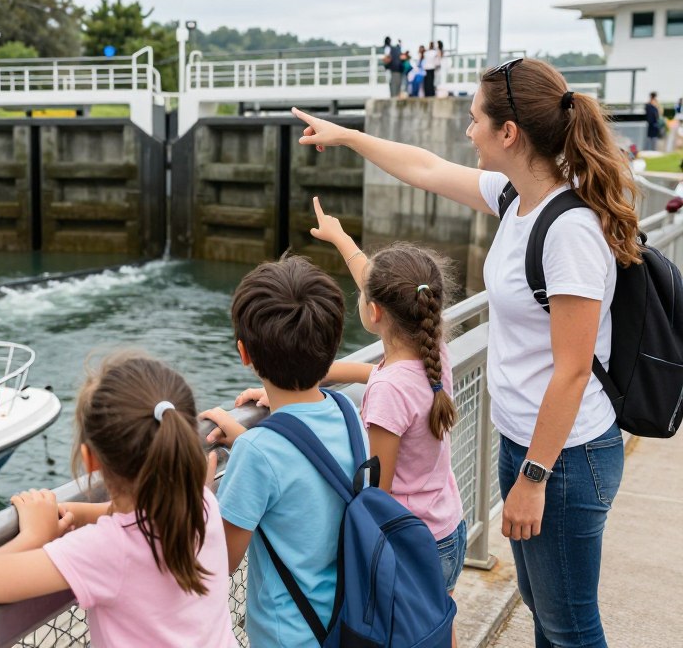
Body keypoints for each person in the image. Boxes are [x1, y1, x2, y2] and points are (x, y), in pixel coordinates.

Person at [291, 56, 640, 648]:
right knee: (544, 609)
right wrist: (347, 136)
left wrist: (534, 476)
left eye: (476, 119)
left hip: (564, 458)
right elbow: (424, 168)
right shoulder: (516, 198)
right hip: (525, 443)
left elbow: (574, 370)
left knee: (570, 625)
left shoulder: (569, 230)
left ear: (510, 134)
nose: (468, 131)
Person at [235, 200, 466, 646]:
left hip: (407, 538)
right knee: (435, 621)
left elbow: (375, 496)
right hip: (447, 526)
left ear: (375, 312)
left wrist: (297, 388)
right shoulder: (433, 349)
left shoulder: (387, 393)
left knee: (407, 630)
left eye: (364, 295)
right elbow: (378, 337)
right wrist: (342, 240)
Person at [0, 353, 237, 648]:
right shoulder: (200, 501)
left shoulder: (108, 548)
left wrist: (37, 533)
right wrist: (76, 513)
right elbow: (139, 516)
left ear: (90, 460)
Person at [199, 255, 362, 648]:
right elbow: (301, 466)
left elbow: (221, 561)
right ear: (333, 342)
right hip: (348, 620)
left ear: (245, 354)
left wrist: (201, 495)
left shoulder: (259, 452)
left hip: (288, 636)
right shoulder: (349, 412)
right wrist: (247, 439)